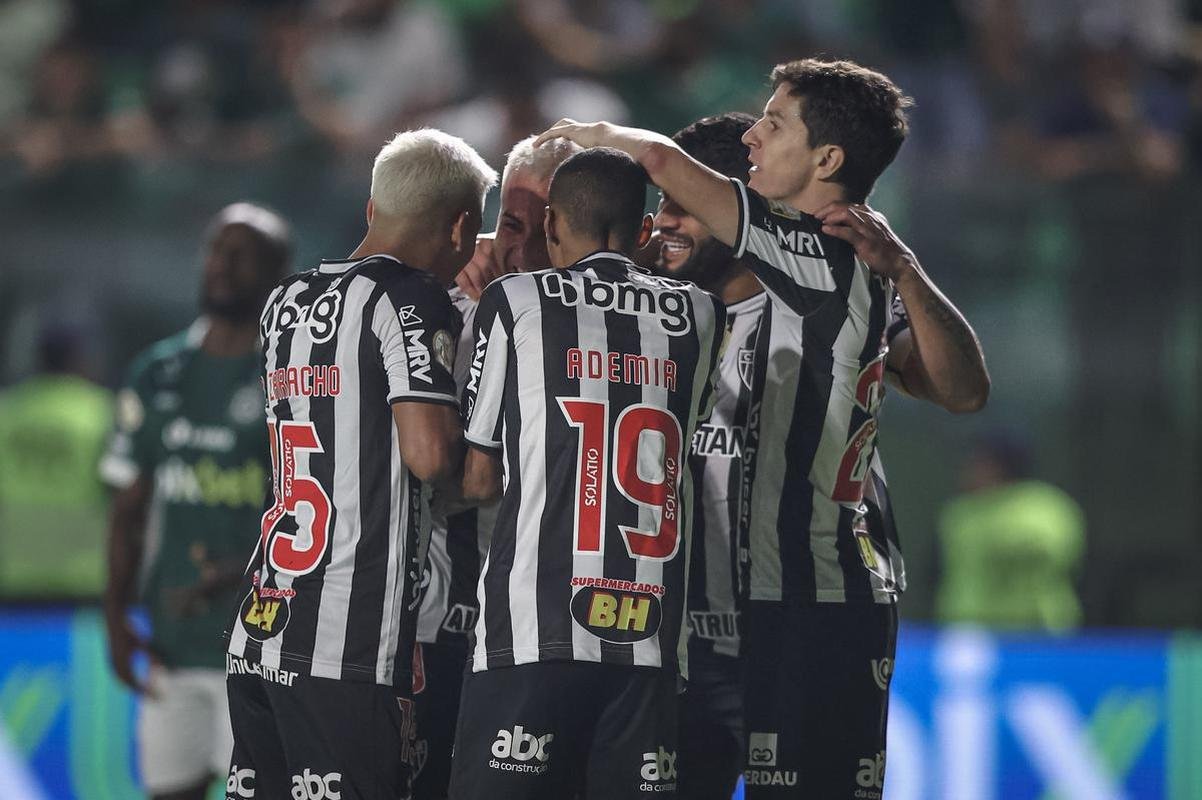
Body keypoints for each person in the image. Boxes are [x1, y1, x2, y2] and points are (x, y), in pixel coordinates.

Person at [537, 57, 990, 797]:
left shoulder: (838, 270)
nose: (663, 224)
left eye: (683, 206)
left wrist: (906, 271)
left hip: (810, 606)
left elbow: (962, 391)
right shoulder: (665, 307)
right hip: (688, 626)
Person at [224, 128, 496, 800]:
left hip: (263, 620)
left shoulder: (283, 301)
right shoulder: (409, 296)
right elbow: (431, 457)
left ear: (373, 209)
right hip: (345, 642)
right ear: (461, 228)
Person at [448, 147, 725, 800]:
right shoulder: (701, 313)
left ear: (550, 228)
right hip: (651, 643)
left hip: (532, 635)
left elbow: (481, 478)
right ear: (645, 231)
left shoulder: (515, 299)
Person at [100, 203, 292, 800]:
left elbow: (317, 508)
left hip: (260, 647)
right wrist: (114, 617)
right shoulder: (158, 371)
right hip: (172, 646)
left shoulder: (289, 374)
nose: (222, 266)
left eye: (242, 255)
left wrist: (241, 570)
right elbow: (129, 509)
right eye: (215, 250)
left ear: (277, 272)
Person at [412, 133, 580, 800]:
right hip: (441, 611)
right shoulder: (441, 305)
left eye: (545, 229)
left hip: (554, 630)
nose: (520, 247)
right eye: (509, 224)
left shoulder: (621, 325)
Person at [0, 323, 111, 600]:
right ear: (79, 359)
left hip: (13, 574)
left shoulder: (7, 413)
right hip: (82, 577)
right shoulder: (102, 414)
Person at [937, 431, 1085, 630]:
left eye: (978, 461)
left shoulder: (1044, 505)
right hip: (967, 633)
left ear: (998, 467)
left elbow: (1052, 550)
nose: (967, 468)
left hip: (1035, 634)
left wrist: (999, 540)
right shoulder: (960, 513)